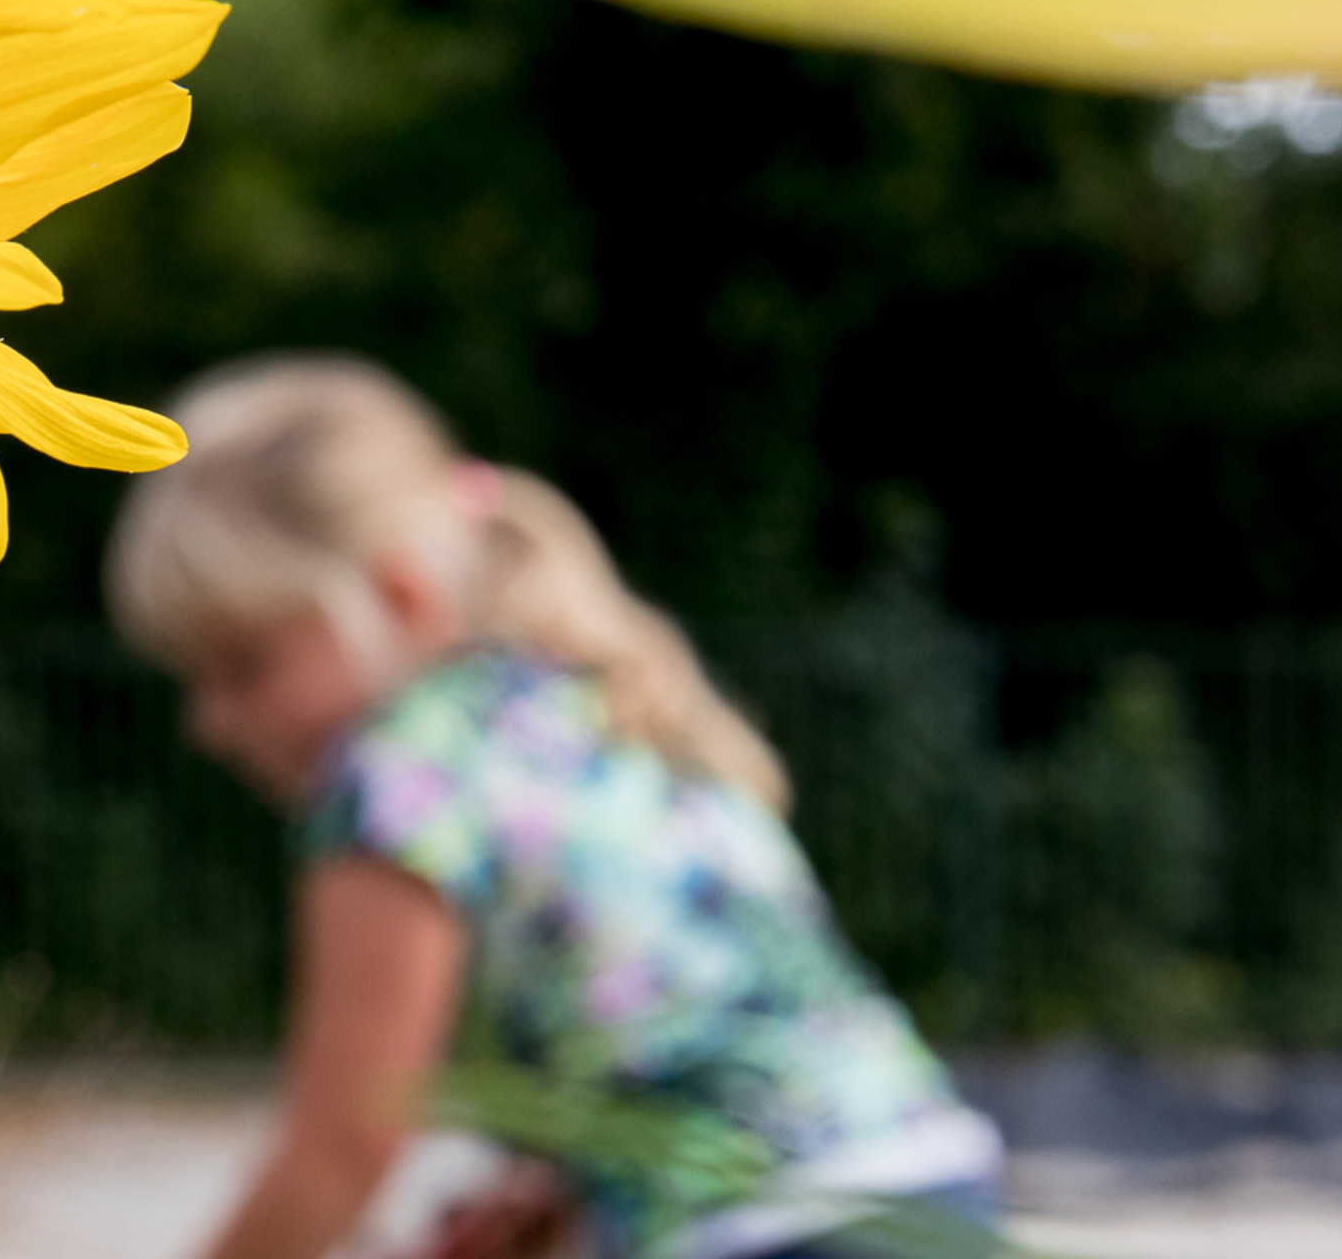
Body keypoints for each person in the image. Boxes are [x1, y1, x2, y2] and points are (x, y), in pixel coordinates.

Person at [103, 356, 1002, 1259]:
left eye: (244, 665)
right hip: (929, 1189)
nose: (210, 723)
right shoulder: (592, 703)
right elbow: (707, 1018)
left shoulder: (395, 775)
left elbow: (341, 1152)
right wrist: (566, 1178)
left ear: (397, 595)